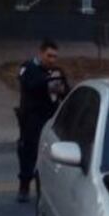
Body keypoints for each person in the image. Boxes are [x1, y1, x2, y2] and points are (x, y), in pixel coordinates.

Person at [16, 38, 69, 203]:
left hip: (51, 119)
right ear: (41, 53)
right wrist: (49, 80)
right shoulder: (28, 67)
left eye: (54, 57)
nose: (52, 60)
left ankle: (48, 189)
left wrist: (61, 87)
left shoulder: (56, 71)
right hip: (32, 118)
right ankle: (24, 185)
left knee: (53, 155)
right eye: (49, 56)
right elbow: (29, 84)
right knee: (28, 152)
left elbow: (65, 91)